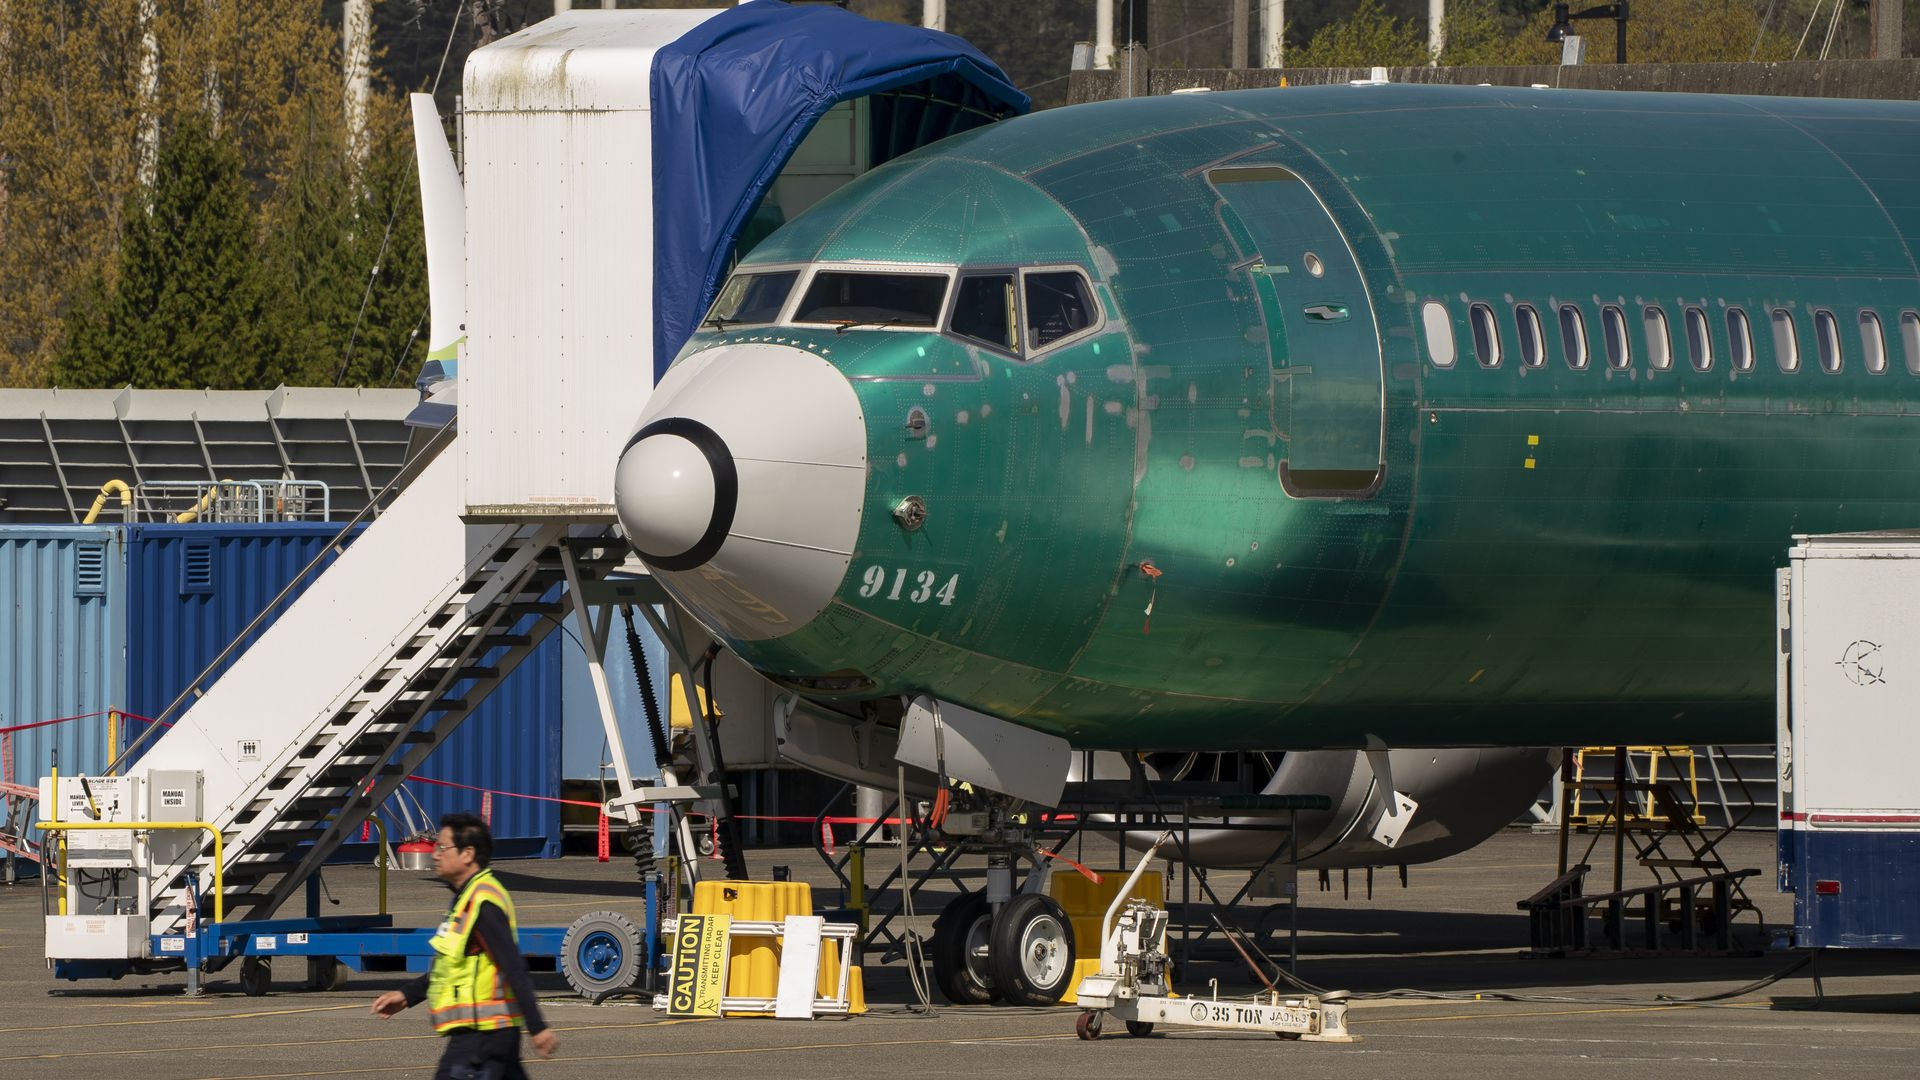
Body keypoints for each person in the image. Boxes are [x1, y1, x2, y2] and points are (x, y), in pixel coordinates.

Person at [371, 813, 558, 1077]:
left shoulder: (483, 902)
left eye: (442, 847)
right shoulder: (466, 899)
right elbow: (450, 967)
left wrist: (537, 1027)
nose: (435, 854)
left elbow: (513, 965)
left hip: (481, 1038)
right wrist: (407, 995)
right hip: (488, 1035)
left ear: (467, 853)